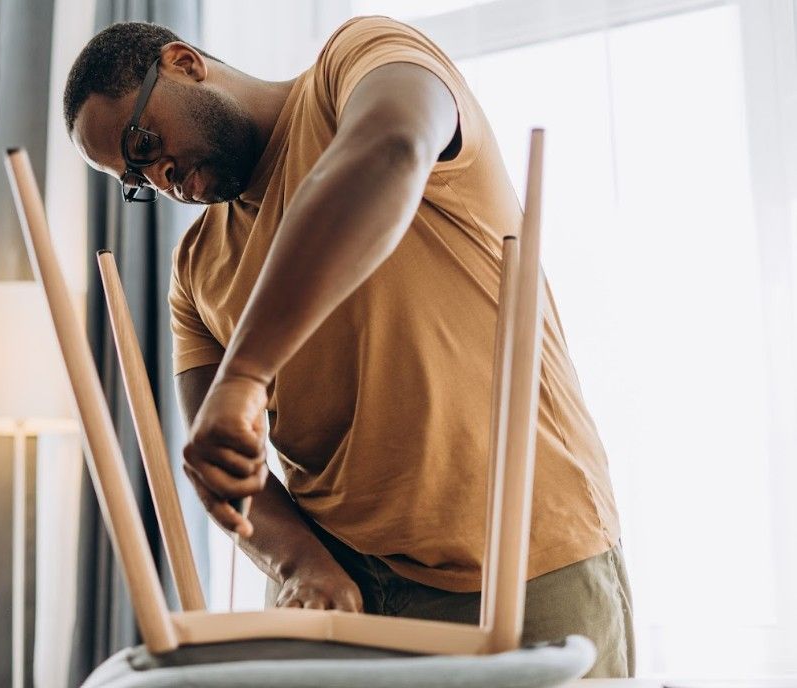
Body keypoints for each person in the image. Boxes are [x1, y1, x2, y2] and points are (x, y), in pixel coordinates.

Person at [62, 16, 635, 677]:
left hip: (523, 563)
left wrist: (245, 373)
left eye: (145, 140)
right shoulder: (194, 268)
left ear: (185, 62)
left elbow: (389, 149)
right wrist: (300, 563)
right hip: (344, 591)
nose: (161, 175)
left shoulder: (354, 66)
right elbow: (222, 460)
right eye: (135, 177)